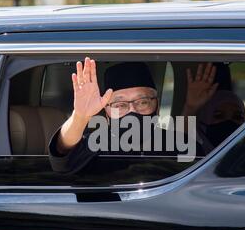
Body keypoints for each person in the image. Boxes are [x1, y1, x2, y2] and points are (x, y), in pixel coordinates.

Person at [49, 57, 207, 174]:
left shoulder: (179, 144)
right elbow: (62, 157)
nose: (132, 111)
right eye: (120, 105)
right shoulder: (95, 144)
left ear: (157, 107)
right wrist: (80, 116)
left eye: (142, 102)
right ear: (107, 113)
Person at [183, 62, 245, 152]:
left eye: (238, 117)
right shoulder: (195, 159)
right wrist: (190, 108)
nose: (228, 123)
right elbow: (180, 144)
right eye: (219, 116)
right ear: (203, 121)